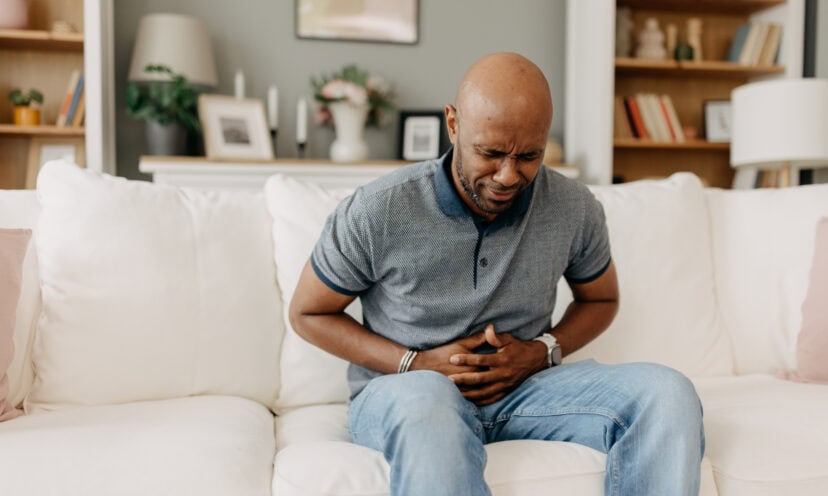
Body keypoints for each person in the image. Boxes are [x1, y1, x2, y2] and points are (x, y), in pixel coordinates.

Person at [289, 52, 704, 496]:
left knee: (668, 394)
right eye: (490, 153)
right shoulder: (379, 210)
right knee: (429, 403)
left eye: (529, 155)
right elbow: (308, 314)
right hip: (407, 391)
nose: (508, 176)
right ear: (453, 124)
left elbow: (601, 299)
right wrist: (417, 363)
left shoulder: (574, 207)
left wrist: (542, 352)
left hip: (527, 389)